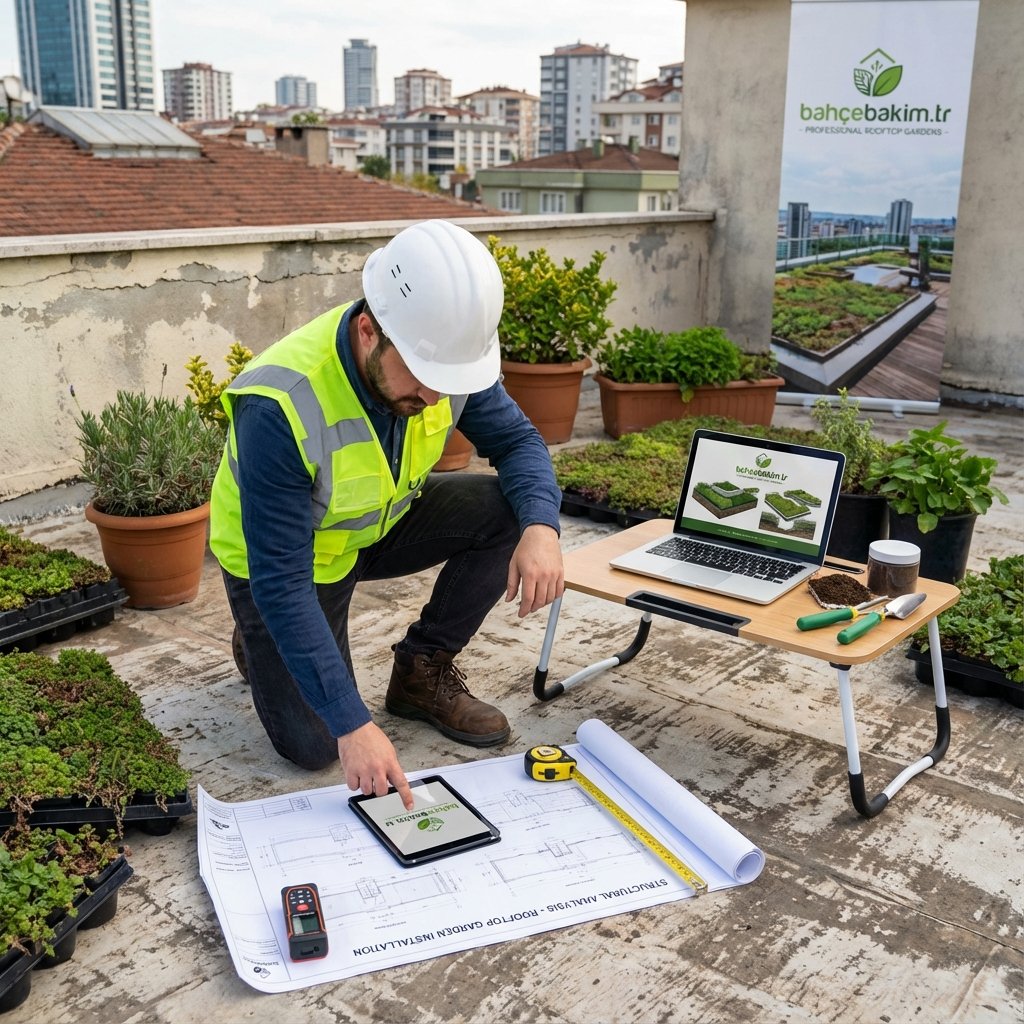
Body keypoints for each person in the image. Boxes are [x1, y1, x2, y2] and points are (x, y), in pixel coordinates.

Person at [209, 219, 565, 811]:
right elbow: (281, 578)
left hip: (376, 525)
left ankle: (421, 670)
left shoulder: (441, 359)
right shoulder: (279, 403)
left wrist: (542, 529)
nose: (436, 397)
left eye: (448, 382)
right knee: (316, 744)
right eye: (425, 379)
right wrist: (353, 724)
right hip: (289, 563)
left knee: (513, 510)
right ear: (369, 331)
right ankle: (262, 638)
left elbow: (518, 442)